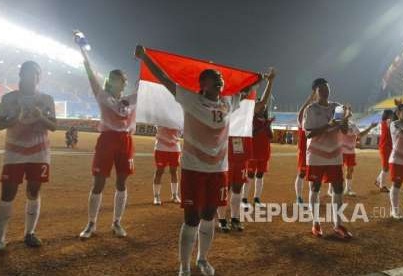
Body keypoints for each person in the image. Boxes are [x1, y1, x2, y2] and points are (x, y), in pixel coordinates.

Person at [135, 44, 263, 276]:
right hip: (194, 169)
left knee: (209, 216)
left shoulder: (227, 103)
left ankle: (202, 259)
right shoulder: (189, 99)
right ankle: (184, 265)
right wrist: (145, 57)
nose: (220, 80)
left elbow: (244, 91)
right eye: (214, 78)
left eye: (221, 78)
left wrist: (258, 80)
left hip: (218, 170)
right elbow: (164, 78)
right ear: (202, 84)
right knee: (191, 218)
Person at [0, 61, 57, 259]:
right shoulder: (9, 98)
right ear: (20, 75)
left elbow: (54, 126)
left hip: (39, 152)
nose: (30, 78)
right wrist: (16, 117)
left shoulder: (46, 99)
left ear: (39, 77)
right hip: (14, 152)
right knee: (7, 193)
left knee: (33, 191)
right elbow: (0, 124)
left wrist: (41, 117)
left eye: (34, 74)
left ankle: (30, 233)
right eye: (27, 74)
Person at [75, 32, 137, 239]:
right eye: (110, 79)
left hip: (125, 141)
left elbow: (149, 84)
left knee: (121, 183)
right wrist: (83, 50)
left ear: (123, 84)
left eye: (116, 80)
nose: (111, 82)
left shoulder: (132, 99)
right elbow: (90, 73)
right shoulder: (102, 96)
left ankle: (117, 222)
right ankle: (91, 223)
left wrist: (147, 60)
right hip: (107, 140)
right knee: (98, 183)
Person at [218, 68, 275, 233]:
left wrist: (269, 81)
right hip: (226, 149)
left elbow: (263, 102)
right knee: (225, 187)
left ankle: (235, 218)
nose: (246, 91)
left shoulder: (248, 108)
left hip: (241, 150)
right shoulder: (224, 103)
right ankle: (222, 219)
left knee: (237, 187)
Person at [303, 78, 352, 239]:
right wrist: (329, 125)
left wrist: (344, 120)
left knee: (338, 188)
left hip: (335, 154)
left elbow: (344, 131)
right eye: (322, 88)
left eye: (327, 88)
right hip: (316, 154)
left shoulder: (337, 107)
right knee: (315, 188)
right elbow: (309, 133)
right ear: (315, 91)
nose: (325, 91)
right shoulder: (311, 109)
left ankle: (338, 224)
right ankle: (315, 223)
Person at [326, 107, 377, 196]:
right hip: (340, 151)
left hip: (350, 152)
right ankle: (331, 190)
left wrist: (370, 127)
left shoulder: (353, 124)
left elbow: (360, 135)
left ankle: (348, 189)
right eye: (347, 110)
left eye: (350, 110)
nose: (349, 111)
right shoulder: (338, 123)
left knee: (350, 170)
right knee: (336, 170)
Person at [243, 83, 276, 208]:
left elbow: (271, 136)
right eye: (261, 107)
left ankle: (257, 198)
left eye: (264, 108)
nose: (263, 109)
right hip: (253, 151)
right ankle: (244, 199)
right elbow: (252, 133)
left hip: (264, 151)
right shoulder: (251, 119)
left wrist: (268, 126)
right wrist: (264, 125)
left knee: (260, 175)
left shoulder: (266, 121)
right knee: (250, 175)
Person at [294, 90, 316, 204]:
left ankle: (312, 198)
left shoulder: (315, 123)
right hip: (304, 152)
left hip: (314, 152)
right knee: (302, 174)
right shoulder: (301, 122)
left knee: (313, 176)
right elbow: (301, 112)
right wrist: (310, 98)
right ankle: (298, 197)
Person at [152, 126, 182, 205]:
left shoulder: (179, 116)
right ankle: (156, 196)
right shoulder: (161, 115)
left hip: (175, 148)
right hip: (161, 147)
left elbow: (181, 130)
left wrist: (174, 139)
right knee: (159, 171)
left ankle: (175, 195)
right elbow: (157, 125)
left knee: (174, 171)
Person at [374, 109, 394, 193]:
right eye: (392, 114)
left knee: (387, 166)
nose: (393, 115)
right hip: (386, 147)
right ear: (388, 115)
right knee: (386, 167)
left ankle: (378, 181)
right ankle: (382, 186)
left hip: (387, 146)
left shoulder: (385, 121)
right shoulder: (388, 121)